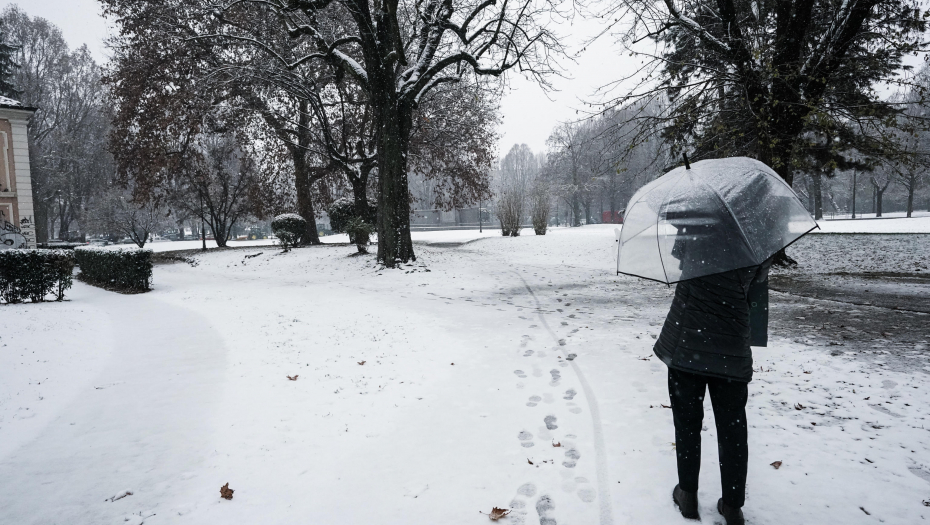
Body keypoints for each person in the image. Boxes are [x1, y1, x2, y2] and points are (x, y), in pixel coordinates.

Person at [653, 253, 773, 525]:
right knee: (733, 430)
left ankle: (687, 495)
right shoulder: (754, 238)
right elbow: (756, 283)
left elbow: (681, 261)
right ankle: (732, 507)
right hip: (730, 349)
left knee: (686, 423)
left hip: (687, 343)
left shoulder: (694, 220)